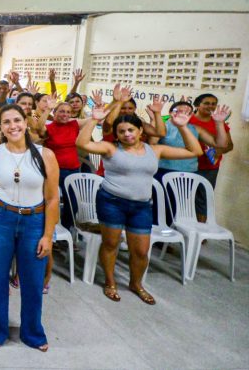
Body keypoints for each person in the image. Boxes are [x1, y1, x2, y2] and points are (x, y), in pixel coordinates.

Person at [76, 102, 223, 305]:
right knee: (111, 244)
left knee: (141, 251)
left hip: (141, 206)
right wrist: (94, 119)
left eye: (131, 130)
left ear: (140, 131)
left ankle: (136, 284)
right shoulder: (110, 149)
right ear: (117, 135)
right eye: (122, 132)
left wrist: (182, 126)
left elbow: (195, 151)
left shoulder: (156, 150)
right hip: (112, 202)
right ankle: (110, 282)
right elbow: (83, 143)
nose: (127, 134)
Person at [0, 104, 59, 352]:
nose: (12, 126)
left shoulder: (45, 154)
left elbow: (51, 199)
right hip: (2, 219)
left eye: (17, 120)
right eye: (6, 122)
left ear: (26, 123)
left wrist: (48, 235)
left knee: (33, 280)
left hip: (33, 221)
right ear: (1, 127)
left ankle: (32, 332)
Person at [189, 93, 233, 223]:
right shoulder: (188, 120)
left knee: (203, 199)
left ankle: (200, 231)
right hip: (187, 165)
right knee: (182, 196)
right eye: (207, 103)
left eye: (214, 104)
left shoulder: (219, 123)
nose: (211, 106)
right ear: (197, 105)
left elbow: (230, 145)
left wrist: (219, 151)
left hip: (209, 168)